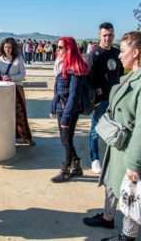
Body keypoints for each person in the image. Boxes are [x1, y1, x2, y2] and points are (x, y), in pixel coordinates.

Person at [83, 31, 141, 241]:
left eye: (122, 51)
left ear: (136, 52)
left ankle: (127, 237)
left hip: (130, 150)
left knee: (131, 194)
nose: (119, 56)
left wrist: (134, 164)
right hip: (119, 146)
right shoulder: (133, 75)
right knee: (112, 183)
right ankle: (107, 217)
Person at [85, 22, 124, 174]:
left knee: (116, 130)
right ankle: (95, 159)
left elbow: (120, 74)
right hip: (100, 101)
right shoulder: (94, 55)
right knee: (95, 131)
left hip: (116, 99)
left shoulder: (117, 53)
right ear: (99, 36)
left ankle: (113, 159)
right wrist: (93, 97)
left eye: (110, 35)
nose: (108, 38)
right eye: (105, 35)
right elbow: (88, 79)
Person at [49, 37, 89, 182]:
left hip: (69, 109)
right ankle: (76, 166)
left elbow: (73, 95)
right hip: (61, 107)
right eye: (57, 47)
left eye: (60, 47)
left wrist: (66, 117)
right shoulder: (60, 64)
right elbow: (57, 90)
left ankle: (65, 170)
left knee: (66, 140)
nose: (57, 50)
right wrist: (53, 106)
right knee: (66, 139)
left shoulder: (75, 67)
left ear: (69, 49)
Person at [0, 37, 35, 146]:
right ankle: (10, 136)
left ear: (13, 48)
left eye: (10, 47)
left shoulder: (18, 59)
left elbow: (23, 74)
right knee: (5, 113)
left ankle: (27, 137)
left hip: (17, 88)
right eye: (6, 47)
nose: (7, 49)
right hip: (3, 88)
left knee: (20, 113)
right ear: (3, 48)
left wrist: (11, 78)